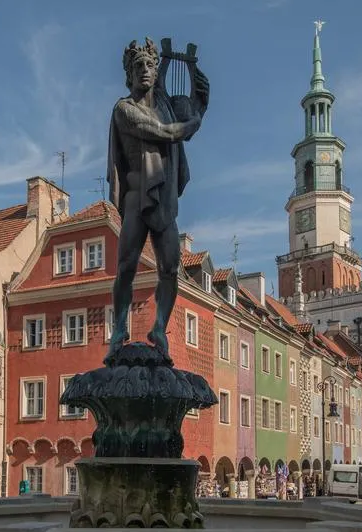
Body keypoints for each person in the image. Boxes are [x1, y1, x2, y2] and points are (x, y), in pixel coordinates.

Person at [105, 37, 209, 361]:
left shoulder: (164, 103)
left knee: (170, 267)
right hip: (137, 196)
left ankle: (159, 328)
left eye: (151, 65)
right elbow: (164, 132)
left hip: (163, 199)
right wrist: (189, 126)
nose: (146, 70)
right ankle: (119, 330)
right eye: (139, 66)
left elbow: (195, 106)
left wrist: (197, 82)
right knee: (126, 266)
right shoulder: (125, 109)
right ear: (129, 73)